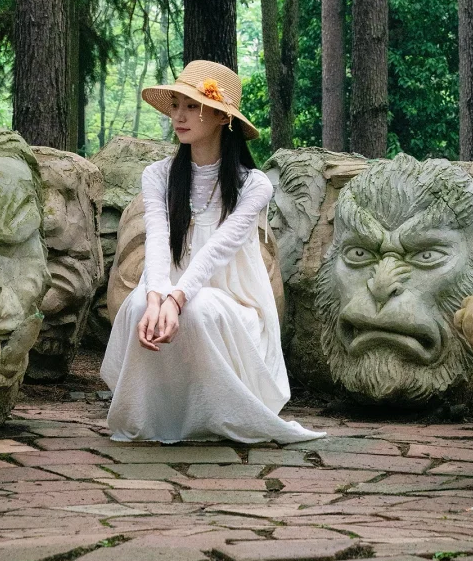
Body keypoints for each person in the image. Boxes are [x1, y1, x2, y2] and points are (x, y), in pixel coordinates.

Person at [102, 59, 323, 444]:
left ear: (223, 116)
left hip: (233, 299)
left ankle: (216, 416)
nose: (179, 116)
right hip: (168, 285)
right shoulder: (158, 175)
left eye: (191, 106)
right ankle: (155, 416)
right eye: (175, 105)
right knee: (137, 307)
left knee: (198, 308)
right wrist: (156, 296)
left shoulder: (254, 184)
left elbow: (216, 253)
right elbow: (156, 239)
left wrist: (176, 298)